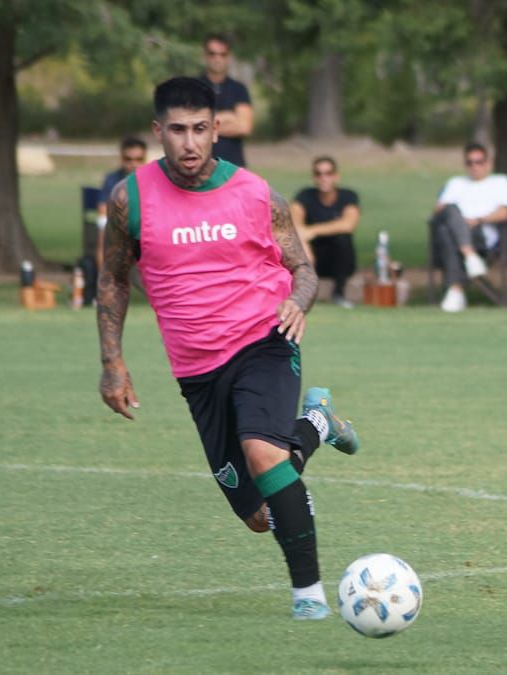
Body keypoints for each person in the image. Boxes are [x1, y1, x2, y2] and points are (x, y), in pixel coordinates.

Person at [96, 77, 361, 621]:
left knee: (265, 456)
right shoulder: (130, 200)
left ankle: (308, 597)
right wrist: (112, 361)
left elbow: (303, 270)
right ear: (157, 131)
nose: (189, 143)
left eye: (199, 129)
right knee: (260, 514)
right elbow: (114, 279)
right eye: (176, 130)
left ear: (217, 129)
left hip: (264, 339)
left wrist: (298, 303)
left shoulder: (257, 194)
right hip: (196, 371)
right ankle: (316, 423)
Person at [429, 142, 507, 312]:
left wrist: (478, 220)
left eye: (479, 161)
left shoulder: (501, 182)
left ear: (489, 163)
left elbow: (504, 213)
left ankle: (456, 290)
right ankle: (469, 258)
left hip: (482, 233)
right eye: (470, 162)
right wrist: (458, 220)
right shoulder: (455, 183)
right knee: (448, 218)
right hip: (457, 232)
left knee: (446, 231)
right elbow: (439, 210)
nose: (475, 166)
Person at [290, 156, 361, 308]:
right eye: (319, 174)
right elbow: (295, 224)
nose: (324, 178)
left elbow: (348, 224)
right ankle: (304, 294)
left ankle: (339, 293)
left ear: (336, 176)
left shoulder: (348, 197)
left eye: (328, 173)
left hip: (341, 261)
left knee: (342, 238)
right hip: (314, 259)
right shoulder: (304, 196)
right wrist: (304, 240)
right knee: (296, 243)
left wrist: (312, 231)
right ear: (314, 177)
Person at [199, 34, 253, 167]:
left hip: (234, 165)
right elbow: (190, 123)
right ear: (204, 56)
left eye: (222, 54)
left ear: (228, 57)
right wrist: (230, 117)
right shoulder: (193, 87)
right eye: (212, 54)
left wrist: (206, 125)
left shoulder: (239, 89)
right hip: (200, 165)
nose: (217, 59)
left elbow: (245, 127)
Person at [95, 137, 147, 265]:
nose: (133, 164)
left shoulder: (151, 178)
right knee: (103, 229)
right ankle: (104, 277)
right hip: (117, 222)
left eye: (138, 160)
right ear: (122, 158)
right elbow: (102, 207)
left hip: (144, 223)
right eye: (128, 159)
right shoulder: (112, 179)